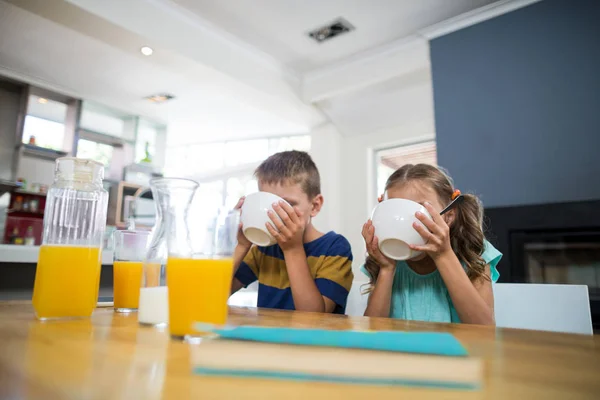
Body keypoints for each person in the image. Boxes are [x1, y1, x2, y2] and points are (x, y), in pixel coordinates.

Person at [362, 164, 501, 325]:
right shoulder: (383, 257)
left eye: (419, 210)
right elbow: (373, 329)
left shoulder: (473, 252)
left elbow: (485, 329)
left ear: (448, 216)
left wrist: (443, 255)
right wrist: (386, 269)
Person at [231, 151, 354, 314]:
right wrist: (242, 245)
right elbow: (213, 294)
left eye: (287, 204)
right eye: (268, 204)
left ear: (315, 206)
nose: (276, 214)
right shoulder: (264, 248)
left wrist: (292, 249)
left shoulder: (335, 248)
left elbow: (314, 318)